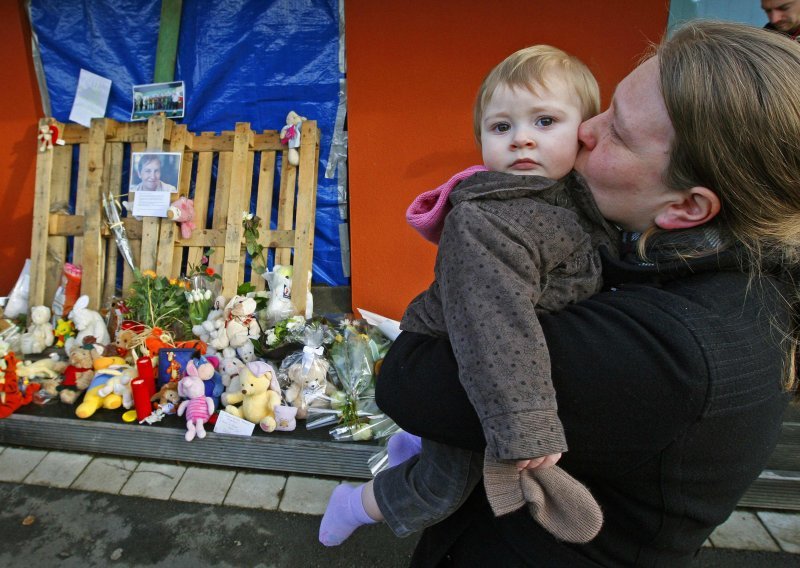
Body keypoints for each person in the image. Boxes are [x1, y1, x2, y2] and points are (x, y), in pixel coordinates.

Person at [374, 20, 800, 567]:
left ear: (688, 208)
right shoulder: (685, 262)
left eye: (617, 131)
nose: (586, 130)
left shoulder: (668, 350)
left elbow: (410, 381)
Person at [320, 45, 618, 547]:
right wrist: (525, 424)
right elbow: (494, 326)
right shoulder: (485, 220)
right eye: (501, 127)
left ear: (585, 132)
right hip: (460, 356)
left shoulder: (576, 199)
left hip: (497, 371)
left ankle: (414, 438)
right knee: (443, 488)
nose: (521, 138)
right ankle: (357, 503)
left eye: (545, 121)